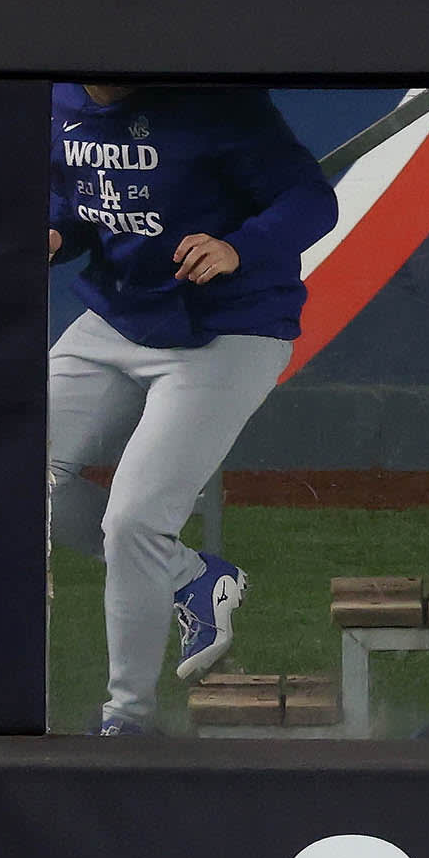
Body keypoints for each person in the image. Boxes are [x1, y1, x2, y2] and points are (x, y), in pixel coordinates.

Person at [48, 80, 337, 734]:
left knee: (135, 523)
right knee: (4, 482)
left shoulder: (211, 98)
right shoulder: (55, 97)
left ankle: (128, 721)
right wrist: (55, 235)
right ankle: (191, 576)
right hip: (121, 315)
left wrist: (240, 246)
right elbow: (72, 205)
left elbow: (310, 199)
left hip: (232, 324)